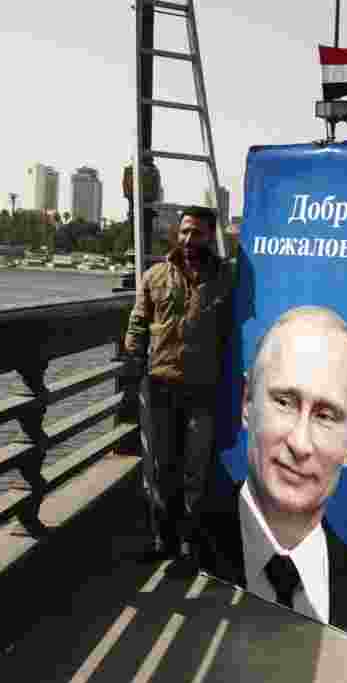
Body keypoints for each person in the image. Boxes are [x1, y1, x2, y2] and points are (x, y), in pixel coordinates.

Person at [195, 306, 347, 634]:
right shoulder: (191, 545)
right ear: (247, 402)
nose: (300, 443)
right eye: (284, 402)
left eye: (326, 415)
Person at [123, 206, 234, 559]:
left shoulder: (227, 279)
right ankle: (162, 541)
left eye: (197, 233)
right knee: (159, 469)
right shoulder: (155, 275)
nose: (189, 239)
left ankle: (190, 546)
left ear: (210, 236)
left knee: (195, 471)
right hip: (159, 387)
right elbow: (138, 324)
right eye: (184, 231)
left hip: (204, 390)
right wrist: (133, 361)